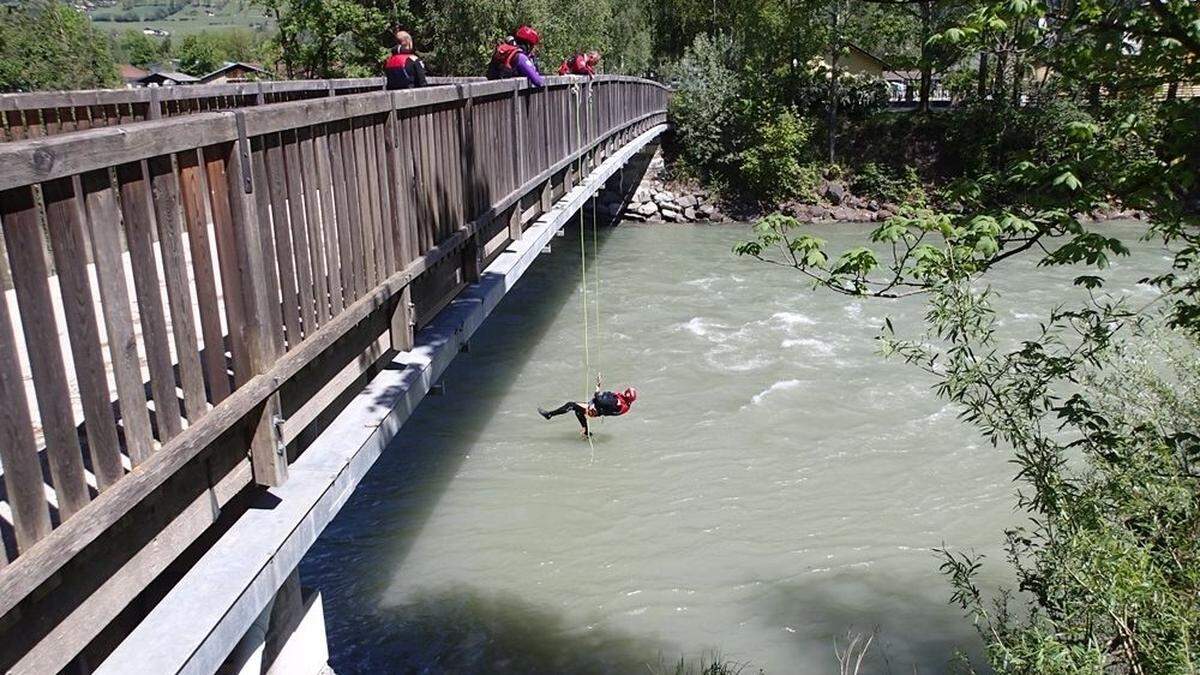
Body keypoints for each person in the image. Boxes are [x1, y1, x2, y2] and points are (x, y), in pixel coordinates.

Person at [538, 374, 637, 437]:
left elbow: (599, 399)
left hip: (594, 409)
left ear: (626, 394)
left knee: (571, 405)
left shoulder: (616, 402)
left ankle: (549, 415)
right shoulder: (625, 405)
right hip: (598, 410)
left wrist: (598, 386)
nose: (624, 390)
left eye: (626, 391)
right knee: (578, 411)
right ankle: (586, 432)